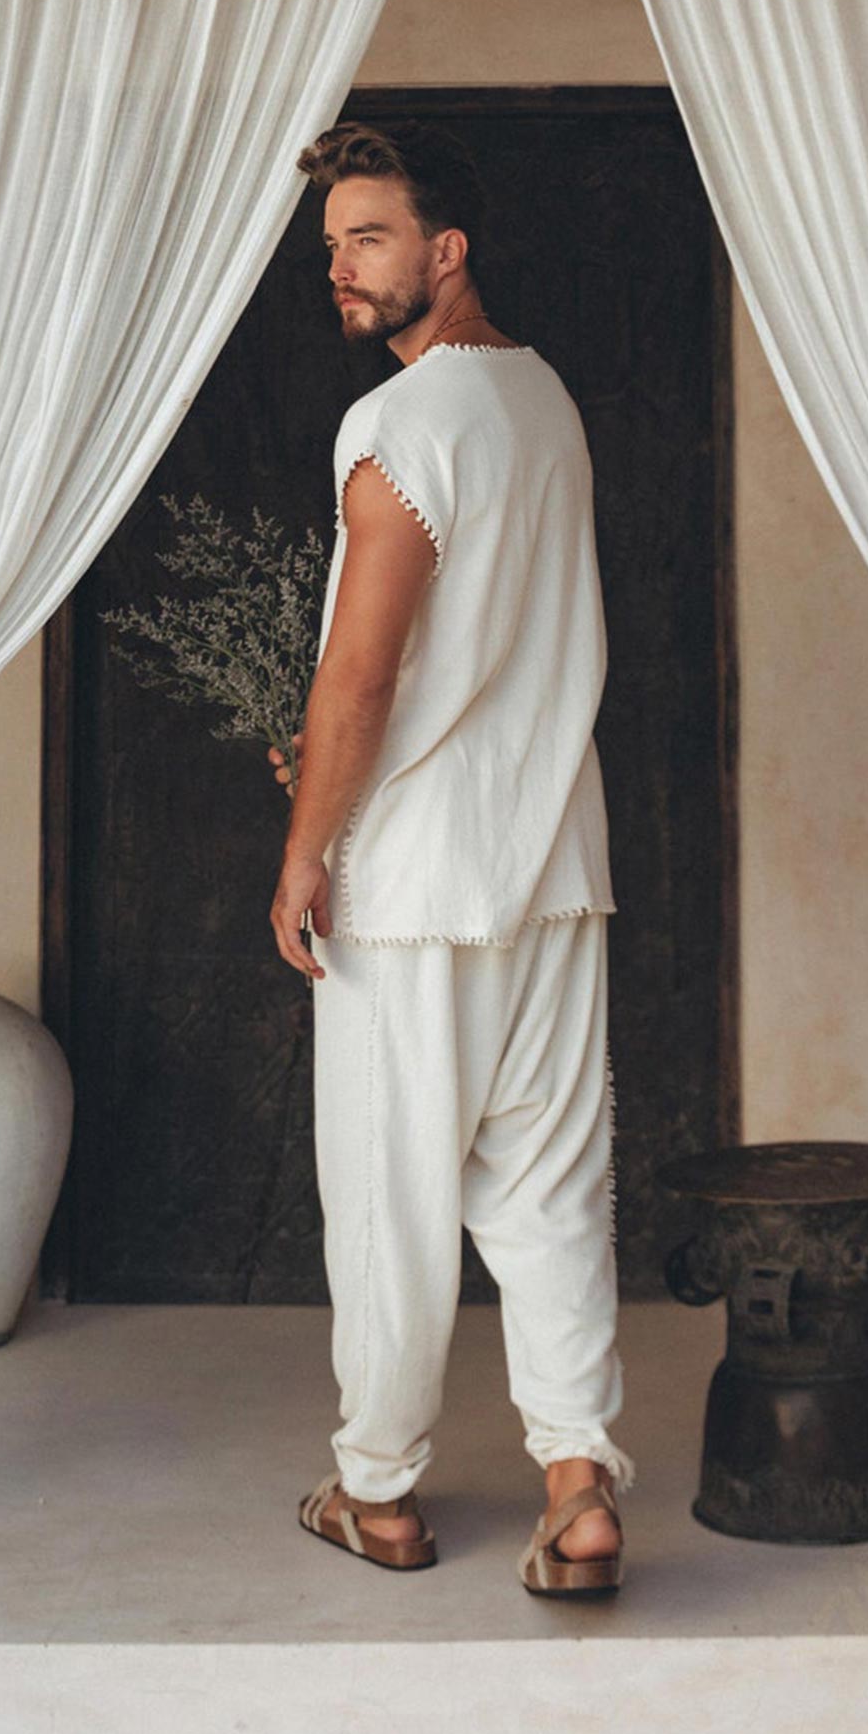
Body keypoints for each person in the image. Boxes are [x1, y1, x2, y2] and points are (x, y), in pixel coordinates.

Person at [267, 119, 635, 1596]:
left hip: (413, 885)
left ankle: (379, 1495)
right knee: (549, 1193)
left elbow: (359, 678)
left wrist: (306, 851)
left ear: (446, 250)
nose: (341, 269)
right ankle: (578, 1483)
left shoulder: (398, 429)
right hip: (551, 866)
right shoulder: (542, 403)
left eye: (366, 237)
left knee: (391, 1199)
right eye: (330, 245)